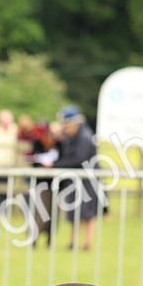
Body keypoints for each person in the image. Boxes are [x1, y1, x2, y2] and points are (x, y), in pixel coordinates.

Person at [43, 105, 102, 250]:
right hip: (75, 180)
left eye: (66, 124)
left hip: (88, 180)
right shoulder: (70, 138)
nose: (64, 127)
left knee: (87, 213)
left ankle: (87, 243)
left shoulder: (85, 137)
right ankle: (73, 242)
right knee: (74, 212)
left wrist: (55, 165)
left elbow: (77, 158)